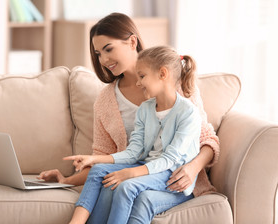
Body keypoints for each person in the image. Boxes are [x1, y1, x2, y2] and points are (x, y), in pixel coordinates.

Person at [38, 13, 219, 223]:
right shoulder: (106, 101)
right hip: (134, 168)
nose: (103, 60)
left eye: (108, 49)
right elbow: (108, 157)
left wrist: (192, 167)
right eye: (98, 54)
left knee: (124, 188)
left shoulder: (176, 83)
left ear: (132, 41)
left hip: (174, 176)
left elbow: (207, 139)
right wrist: (67, 180)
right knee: (110, 185)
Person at [65, 45, 202, 224]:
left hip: (171, 173)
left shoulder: (188, 113)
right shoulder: (145, 109)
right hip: (147, 166)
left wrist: (131, 173)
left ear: (162, 74)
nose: (138, 83)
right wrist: (94, 160)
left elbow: (170, 159)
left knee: (126, 187)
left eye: (142, 76)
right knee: (99, 172)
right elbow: (133, 152)